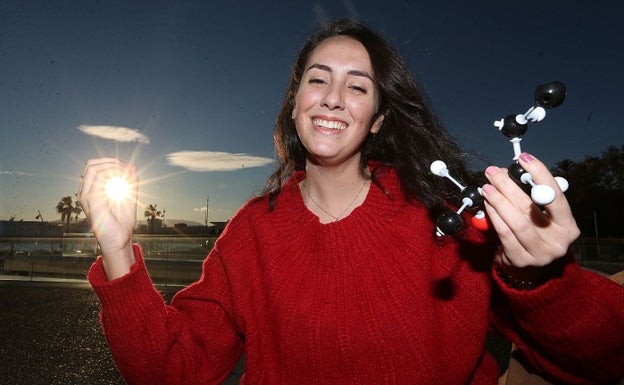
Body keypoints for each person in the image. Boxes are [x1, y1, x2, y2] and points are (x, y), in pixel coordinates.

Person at [78, 19, 624, 385]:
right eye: (318, 80)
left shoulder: (446, 216)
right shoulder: (250, 232)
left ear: (378, 119)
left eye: (358, 86)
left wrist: (541, 279)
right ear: (295, 105)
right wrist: (119, 249)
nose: (334, 97)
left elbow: (603, 356)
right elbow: (173, 368)